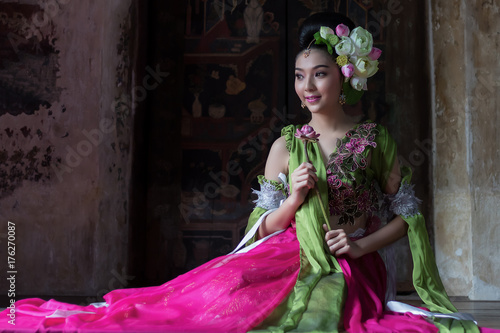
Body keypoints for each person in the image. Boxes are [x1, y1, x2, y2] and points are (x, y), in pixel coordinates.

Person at [1, 11, 498, 333]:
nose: (308, 86)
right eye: (301, 75)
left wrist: (363, 245)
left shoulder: (375, 139)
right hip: (282, 252)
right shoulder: (287, 144)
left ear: (345, 76)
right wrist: (292, 201)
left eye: (320, 73)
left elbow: (408, 216)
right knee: (210, 302)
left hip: (348, 264)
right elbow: (260, 231)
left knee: (316, 313)